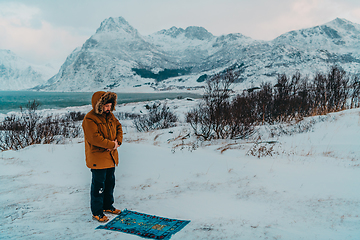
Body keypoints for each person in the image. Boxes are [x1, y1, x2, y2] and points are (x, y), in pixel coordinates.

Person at [82, 91, 123, 222]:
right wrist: (111, 144)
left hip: (111, 157)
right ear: (99, 105)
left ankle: (108, 206)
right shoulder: (90, 118)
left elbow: (119, 128)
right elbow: (94, 138)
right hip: (98, 158)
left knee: (110, 183)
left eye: (110, 105)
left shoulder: (110, 116)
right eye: (106, 106)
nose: (108, 108)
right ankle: (97, 212)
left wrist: (117, 142)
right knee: (98, 186)